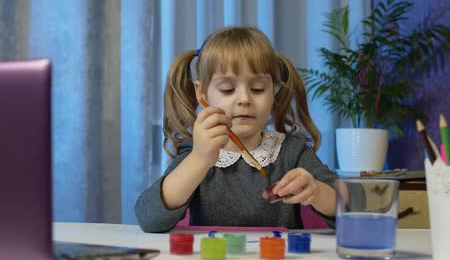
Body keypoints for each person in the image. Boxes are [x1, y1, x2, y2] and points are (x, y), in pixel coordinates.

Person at [135, 26, 337, 233]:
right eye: (228, 89)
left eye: (258, 89)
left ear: (273, 91)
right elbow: (150, 219)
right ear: (202, 93)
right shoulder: (197, 153)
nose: (244, 100)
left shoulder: (291, 152)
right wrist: (199, 159)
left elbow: (351, 208)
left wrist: (318, 192)